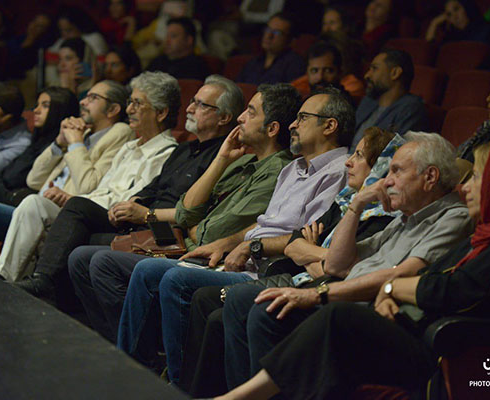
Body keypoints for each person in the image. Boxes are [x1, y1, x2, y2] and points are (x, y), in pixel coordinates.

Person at [214, 138, 490, 400]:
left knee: (336, 318)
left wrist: (390, 290)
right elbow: (434, 280)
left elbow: (452, 291)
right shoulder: (487, 238)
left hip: (459, 356)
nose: (466, 186)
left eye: (479, 178)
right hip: (423, 331)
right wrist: (392, 291)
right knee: (263, 307)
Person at [117, 88, 354, 385]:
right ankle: (130, 368)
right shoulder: (294, 167)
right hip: (244, 257)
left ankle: (178, 384)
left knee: (175, 280)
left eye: (302, 118)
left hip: (273, 269)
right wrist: (230, 244)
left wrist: (249, 246)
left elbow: (304, 238)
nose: (293, 124)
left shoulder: (338, 172)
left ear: (330, 126)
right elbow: (258, 223)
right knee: (146, 269)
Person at [67, 82, 298, 351]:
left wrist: (190, 225)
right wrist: (222, 159)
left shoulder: (277, 172)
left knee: (103, 261)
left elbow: (205, 232)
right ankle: (117, 344)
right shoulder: (241, 161)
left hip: (203, 256)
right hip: (181, 243)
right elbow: (186, 210)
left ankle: (137, 354)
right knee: (81, 257)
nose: (240, 118)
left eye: (250, 111)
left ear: (272, 128)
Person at [179, 127, 403, 397]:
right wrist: (315, 255)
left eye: (359, 155)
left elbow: (342, 269)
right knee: (214, 313)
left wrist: (314, 254)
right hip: (304, 277)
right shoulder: (344, 202)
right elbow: (295, 245)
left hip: (328, 293)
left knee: (238, 305)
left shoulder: (381, 217)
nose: (349, 162)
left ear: (380, 167)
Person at [9, 72, 181, 304]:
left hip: (121, 218)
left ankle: (43, 281)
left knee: (76, 204)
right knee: (34, 202)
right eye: (129, 102)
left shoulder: (168, 152)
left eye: (137, 104)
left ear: (161, 113)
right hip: (95, 208)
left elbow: (133, 201)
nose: (129, 109)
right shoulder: (129, 147)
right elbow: (98, 188)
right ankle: (3, 278)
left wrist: (79, 200)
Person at [0, 80, 133, 281]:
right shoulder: (85, 132)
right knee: (29, 201)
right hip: (45, 200)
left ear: (113, 109)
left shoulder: (119, 133)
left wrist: (75, 143)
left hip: (72, 210)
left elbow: (88, 185)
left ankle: (2, 278)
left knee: (32, 203)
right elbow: (34, 179)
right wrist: (59, 143)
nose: (83, 102)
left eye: (93, 98)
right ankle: (3, 278)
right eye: (86, 96)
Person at [0, 87, 78, 271]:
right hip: (5, 194)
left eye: (44, 106)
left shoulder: (28, 142)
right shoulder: (38, 141)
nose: (35, 110)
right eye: (37, 104)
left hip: (16, 202)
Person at [351, 49, 427, 149]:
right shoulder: (368, 101)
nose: (367, 75)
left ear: (395, 73)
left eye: (374, 68)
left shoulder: (411, 108)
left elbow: (393, 151)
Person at [237, 12, 306, 85]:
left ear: (291, 40)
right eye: (268, 29)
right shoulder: (253, 62)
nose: (269, 35)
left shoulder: (296, 65)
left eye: (277, 33)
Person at [290, 41, 365, 100]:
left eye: (328, 71)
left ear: (340, 72)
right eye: (314, 71)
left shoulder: (346, 104)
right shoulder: (303, 102)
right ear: (307, 73)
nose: (320, 77)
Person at [425, 0, 490, 45]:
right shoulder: (451, 38)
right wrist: (434, 24)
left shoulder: (486, 31)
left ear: (467, 7)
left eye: (456, 9)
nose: (455, 17)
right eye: (449, 14)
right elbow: (429, 53)